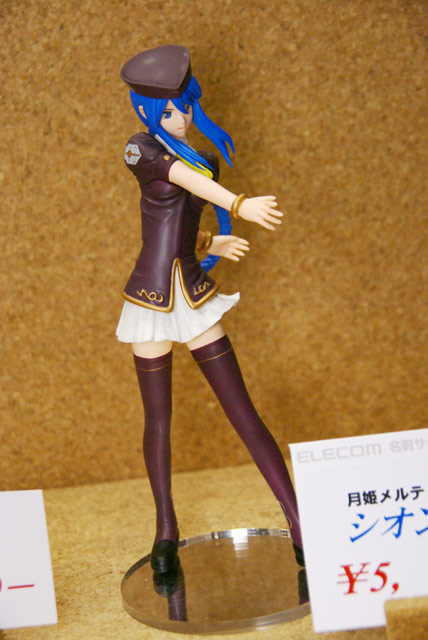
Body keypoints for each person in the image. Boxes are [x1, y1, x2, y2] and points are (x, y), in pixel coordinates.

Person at [117, 45, 305, 574]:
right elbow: (179, 181)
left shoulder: (202, 159)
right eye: (169, 112)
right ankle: (165, 530)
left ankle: (297, 519)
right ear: (147, 112)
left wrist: (211, 242)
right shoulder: (141, 150)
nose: (180, 118)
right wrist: (238, 204)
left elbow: (178, 220)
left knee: (242, 408)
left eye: (186, 107)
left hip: (193, 295)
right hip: (151, 299)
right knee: (159, 419)